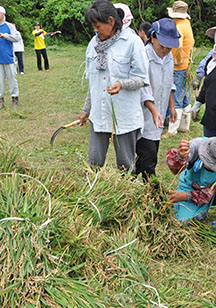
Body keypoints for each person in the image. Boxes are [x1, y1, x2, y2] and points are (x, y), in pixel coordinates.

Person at [77, 0, 149, 172]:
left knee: (125, 165)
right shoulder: (93, 44)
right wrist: (86, 110)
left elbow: (142, 79)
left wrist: (121, 84)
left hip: (124, 116)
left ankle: (126, 195)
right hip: (99, 115)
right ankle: (91, 195)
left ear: (110, 21)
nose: (95, 30)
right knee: (93, 163)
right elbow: (93, 82)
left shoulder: (132, 42)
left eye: (98, 25)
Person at [134, 18, 180, 181]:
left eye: (169, 47)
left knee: (146, 155)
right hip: (144, 114)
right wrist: (154, 111)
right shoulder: (143, 57)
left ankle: (129, 182)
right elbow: (143, 88)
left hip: (158, 114)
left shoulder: (168, 58)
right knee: (149, 156)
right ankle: (151, 189)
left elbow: (169, 83)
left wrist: (172, 107)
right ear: (152, 38)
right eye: (162, 45)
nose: (165, 50)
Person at [165, 0, 194, 137]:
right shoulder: (186, 24)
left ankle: (172, 129)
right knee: (184, 96)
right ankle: (184, 126)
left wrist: (175, 60)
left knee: (175, 96)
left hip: (178, 66)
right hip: (186, 64)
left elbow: (178, 45)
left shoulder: (178, 26)